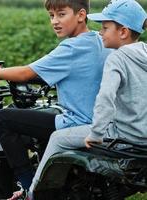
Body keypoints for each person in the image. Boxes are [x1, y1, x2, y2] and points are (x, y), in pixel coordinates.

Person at [0, 0, 111, 199]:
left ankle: (26, 184)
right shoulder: (102, 40)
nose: (55, 21)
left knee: (4, 118)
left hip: (78, 122)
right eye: (51, 15)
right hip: (106, 121)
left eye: (61, 14)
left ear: (81, 15)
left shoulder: (71, 48)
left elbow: (25, 73)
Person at [29, 0, 147, 199]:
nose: (100, 32)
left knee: (57, 138)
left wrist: (96, 133)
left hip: (123, 135)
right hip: (143, 137)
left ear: (123, 32)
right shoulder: (143, 52)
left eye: (105, 27)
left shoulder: (116, 58)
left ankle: (32, 193)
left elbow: (106, 98)